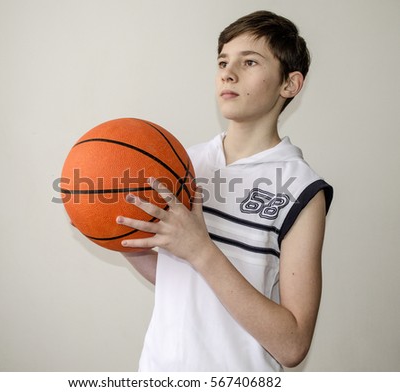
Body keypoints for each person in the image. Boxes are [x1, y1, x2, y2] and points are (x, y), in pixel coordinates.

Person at [117, 10, 333, 371]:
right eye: (222, 61)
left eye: (249, 61)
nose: (227, 73)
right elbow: (180, 282)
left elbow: (293, 345)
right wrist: (112, 230)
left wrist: (202, 250)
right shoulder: (183, 163)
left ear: (290, 84)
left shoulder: (302, 190)